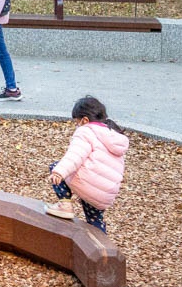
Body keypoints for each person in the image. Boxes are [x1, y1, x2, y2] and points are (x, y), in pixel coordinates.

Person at [46, 96, 129, 233]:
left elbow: (75, 155)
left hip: (88, 185)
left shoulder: (86, 131)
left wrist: (59, 172)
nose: (77, 125)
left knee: (55, 167)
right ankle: (103, 248)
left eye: (77, 122)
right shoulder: (112, 133)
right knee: (95, 220)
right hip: (105, 193)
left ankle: (65, 205)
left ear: (85, 120)